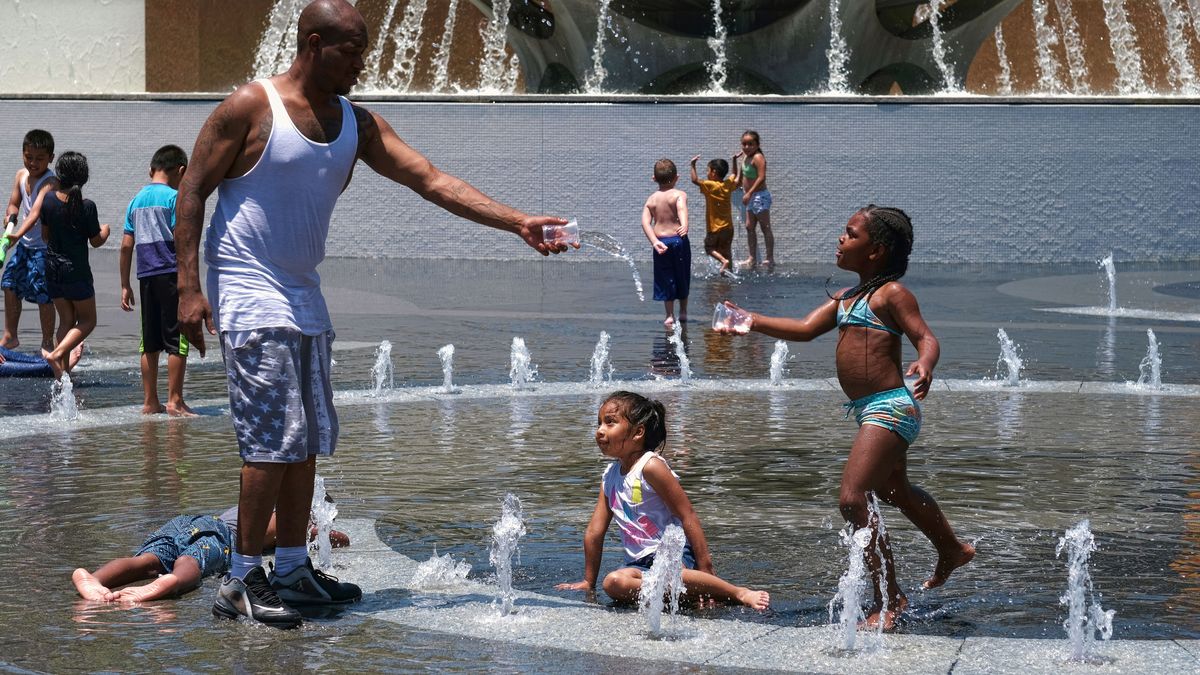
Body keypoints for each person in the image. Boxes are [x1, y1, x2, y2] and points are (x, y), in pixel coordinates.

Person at [173, 0, 570, 629]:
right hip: (249, 290)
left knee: (303, 445)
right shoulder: (252, 107)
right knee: (271, 445)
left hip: (303, 293)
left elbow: (432, 180)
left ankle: (292, 568)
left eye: (363, 48)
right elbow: (192, 187)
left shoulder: (355, 125)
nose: (364, 61)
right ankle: (241, 580)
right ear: (312, 43)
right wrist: (188, 289)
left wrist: (517, 221)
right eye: (351, 49)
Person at [717, 206, 974, 630]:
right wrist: (752, 321)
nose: (840, 239)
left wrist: (926, 364)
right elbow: (802, 328)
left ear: (875, 250)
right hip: (871, 411)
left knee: (853, 498)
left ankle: (891, 596)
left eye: (849, 233)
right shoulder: (846, 298)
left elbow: (925, 337)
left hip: (892, 406)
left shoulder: (891, 294)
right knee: (895, 490)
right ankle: (951, 548)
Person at [556, 391, 771, 610]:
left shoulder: (650, 466)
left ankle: (735, 592)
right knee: (613, 583)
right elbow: (595, 531)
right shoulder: (609, 476)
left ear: (638, 432)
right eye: (599, 423)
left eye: (610, 423)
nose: (600, 431)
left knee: (673, 575)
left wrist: (706, 570)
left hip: (673, 558)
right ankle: (689, 594)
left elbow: (687, 515)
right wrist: (588, 582)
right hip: (638, 566)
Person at [72, 506, 350, 605]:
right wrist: (323, 525)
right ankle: (173, 582)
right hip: (219, 536)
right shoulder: (292, 519)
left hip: (186, 521)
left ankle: (93, 578)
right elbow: (337, 539)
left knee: (146, 561)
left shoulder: (252, 504)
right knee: (191, 561)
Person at [119, 145, 195, 416]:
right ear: (181, 171)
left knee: (149, 341)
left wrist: (125, 284)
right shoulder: (176, 198)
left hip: (145, 275)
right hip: (171, 274)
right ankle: (175, 400)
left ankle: (150, 401)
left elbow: (126, 246)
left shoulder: (135, 200)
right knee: (178, 337)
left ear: (151, 170)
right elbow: (180, 237)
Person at [38, 151, 110, 379]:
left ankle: (63, 377)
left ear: (59, 175)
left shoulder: (48, 200)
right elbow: (96, 241)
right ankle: (57, 353)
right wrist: (106, 231)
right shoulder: (87, 206)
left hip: (52, 269)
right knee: (88, 320)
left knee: (66, 320)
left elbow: (46, 235)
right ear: (84, 178)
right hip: (76, 272)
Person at [1, 129, 58, 353]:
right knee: (9, 284)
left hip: (44, 249)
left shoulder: (50, 182)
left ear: (50, 158)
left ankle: (46, 341)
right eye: (28, 157)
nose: (33, 163)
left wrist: (16, 234)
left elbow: (35, 213)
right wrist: (10, 217)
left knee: (43, 293)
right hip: (24, 246)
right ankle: (10, 336)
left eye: (39, 158)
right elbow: (14, 203)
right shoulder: (20, 175)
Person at [642, 158, 690, 327]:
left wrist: (654, 241)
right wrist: (684, 224)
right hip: (678, 240)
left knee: (666, 277)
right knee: (682, 274)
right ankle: (683, 312)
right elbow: (681, 208)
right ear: (677, 177)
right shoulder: (679, 194)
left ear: (653, 179)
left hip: (661, 242)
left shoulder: (652, 199)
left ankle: (669, 315)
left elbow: (645, 222)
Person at [689, 153, 739, 277]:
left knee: (709, 248)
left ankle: (723, 262)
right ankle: (728, 273)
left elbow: (694, 180)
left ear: (714, 172)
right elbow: (734, 174)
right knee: (726, 250)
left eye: (707, 170)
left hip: (714, 228)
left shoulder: (710, 185)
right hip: (728, 228)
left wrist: (693, 165)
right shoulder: (727, 184)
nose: (707, 173)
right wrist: (734, 161)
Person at [733, 130, 774, 270]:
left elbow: (761, 177)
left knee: (765, 227)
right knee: (749, 227)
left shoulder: (758, 157)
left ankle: (769, 258)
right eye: (744, 144)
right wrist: (733, 161)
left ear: (757, 145)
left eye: (750, 144)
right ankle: (752, 258)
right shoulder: (744, 158)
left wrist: (749, 193)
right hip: (749, 196)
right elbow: (738, 180)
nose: (747, 147)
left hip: (759, 195)